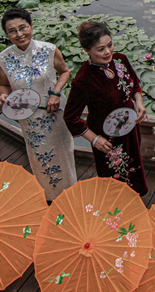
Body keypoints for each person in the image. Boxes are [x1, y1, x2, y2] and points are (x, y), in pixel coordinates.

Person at [0, 8, 77, 201]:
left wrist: (56, 92)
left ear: (31, 26)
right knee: (39, 156)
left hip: (54, 112)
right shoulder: (2, 59)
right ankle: (48, 196)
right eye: (12, 31)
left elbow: (65, 72)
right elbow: (4, 84)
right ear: (6, 34)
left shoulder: (49, 49)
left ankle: (71, 194)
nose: (19, 34)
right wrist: (3, 96)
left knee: (63, 154)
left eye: (23, 27)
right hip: (29, 118)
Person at [63, 20, 149, 195]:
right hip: (107, 138)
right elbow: (70, 116)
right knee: (113, 179)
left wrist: (139, 102)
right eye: (100, 49)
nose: (108, 51)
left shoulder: (120, 59)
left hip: (129, 129)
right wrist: (95, 139)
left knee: (134, 167)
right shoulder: (84, 79)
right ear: (87, 50)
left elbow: (135, 83)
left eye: (110, 45)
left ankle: (135, 201)